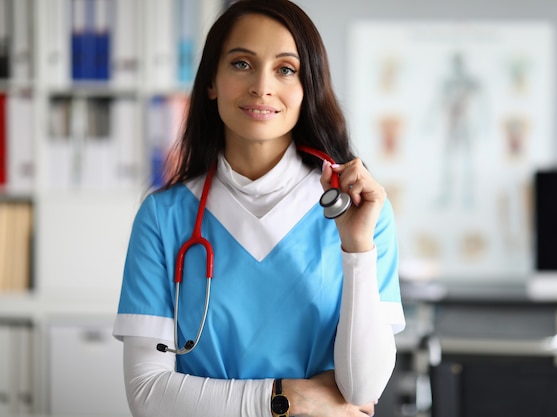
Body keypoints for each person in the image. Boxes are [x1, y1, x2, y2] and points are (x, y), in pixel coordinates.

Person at [112, 1, 405, 416]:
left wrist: (357, 249)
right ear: (211, 80)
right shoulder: (163, 217)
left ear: (308, 87)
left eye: (286, 69)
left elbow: (361, 389)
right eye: (241, 64)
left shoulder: (361, 212)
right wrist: (284, 400)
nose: (262, 86)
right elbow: (147, 395)